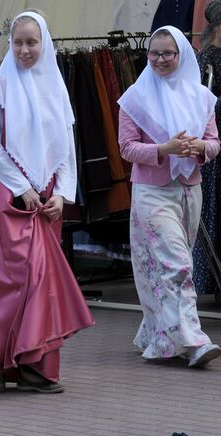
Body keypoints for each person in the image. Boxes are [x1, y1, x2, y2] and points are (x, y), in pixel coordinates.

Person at [0, 12, 94, 394]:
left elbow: (65, 147)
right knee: (15, 278)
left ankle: (35, 367)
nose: (25, 50)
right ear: (9, 44)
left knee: (41, 282)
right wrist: (22, 188)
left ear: (44, 43)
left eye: (32, 43)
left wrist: (62, 194)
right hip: (10, 197)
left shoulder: (56, 86)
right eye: (18, 43)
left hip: (47, 196)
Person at [118, 26, 221, 367]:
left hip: (190, 189)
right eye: (154, 54)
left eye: (168, 54)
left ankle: (158, 337)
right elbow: (126, 147)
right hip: (152, 191)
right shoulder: (135, 97)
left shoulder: (201, 97)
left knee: (162, 268)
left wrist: (199, 147)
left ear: (181, 55)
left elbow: (214, 142)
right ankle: (193, 340)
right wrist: (164, 149)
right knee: (176, 265)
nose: (160, 60)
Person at [195, 0, 221, 300]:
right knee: (213, 212)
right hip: (215, 148)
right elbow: (201, 105)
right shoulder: (207, 60)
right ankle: (212, 282)